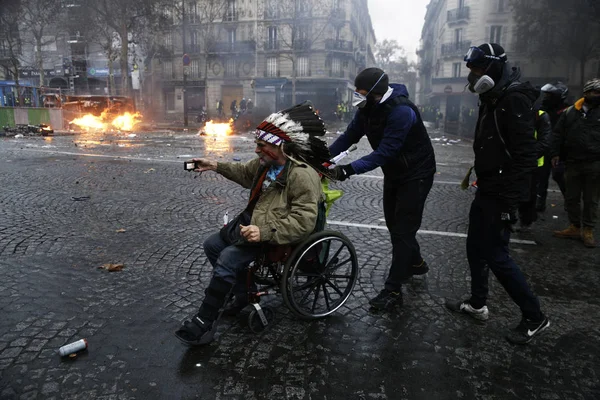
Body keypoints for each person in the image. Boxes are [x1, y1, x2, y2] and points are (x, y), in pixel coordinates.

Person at [175, 102, 330, 346]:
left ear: (278, 145)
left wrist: (264, 231)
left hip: (273, 235)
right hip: (250, 224)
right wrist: (214, 165)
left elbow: (304, 221)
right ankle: (242, 294)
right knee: (212, 245)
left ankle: (205, 322)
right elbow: (243, 173)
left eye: (261, 145)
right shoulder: (264, 164)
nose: (256, 150)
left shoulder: (302, 175)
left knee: (227, 258)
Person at [445, 43, 549, 345]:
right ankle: (478, 304)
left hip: (501, 191)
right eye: (470, 70)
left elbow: (525, 154)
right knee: (475, 246)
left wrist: (510, 199)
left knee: (496, 254)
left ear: (492, 67)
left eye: (476, 69)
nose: (472, 75)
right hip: (488, 185)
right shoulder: (493, 96)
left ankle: (534, 316)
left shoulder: (512, 98)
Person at [328, 67, 436, 311]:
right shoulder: (366, 109)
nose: (357, 97)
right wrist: (323, 157)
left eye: (361, 93)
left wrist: (347, 170)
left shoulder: (402, 111)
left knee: (402, 231)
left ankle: (393, 291)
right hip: (395, 173)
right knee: (394, 225)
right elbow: (349, 137)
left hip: (416, 173)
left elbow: (385, 152)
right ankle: (416, 263)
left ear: (375, 92)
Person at [551, 78, 600, 248]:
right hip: (573, 162)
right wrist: (555, 153)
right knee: (571, 197)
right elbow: (558, 134)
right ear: (586, 93)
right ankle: (575, 226)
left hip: (594, 163)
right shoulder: (570, 112)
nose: (598, 96)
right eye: (595, 92)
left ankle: (588, 230)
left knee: (591, 199)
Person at [536, 82, 570, 211]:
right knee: (541, 176)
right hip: (544, 148)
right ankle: (540, 203)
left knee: (559, 175)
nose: (546, 98)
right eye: (546, 95)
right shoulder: (542, 109)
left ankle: (570, 201)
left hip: (560, 151)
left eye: (549, 95)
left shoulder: (567, 111)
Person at [517, 107, 552, 230]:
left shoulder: (541, 116)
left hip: (533, 163)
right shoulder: (516, 111)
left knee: (529, 193)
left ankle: (527, 221)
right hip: (517, 160)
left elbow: (545, 142)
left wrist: (528, 156)